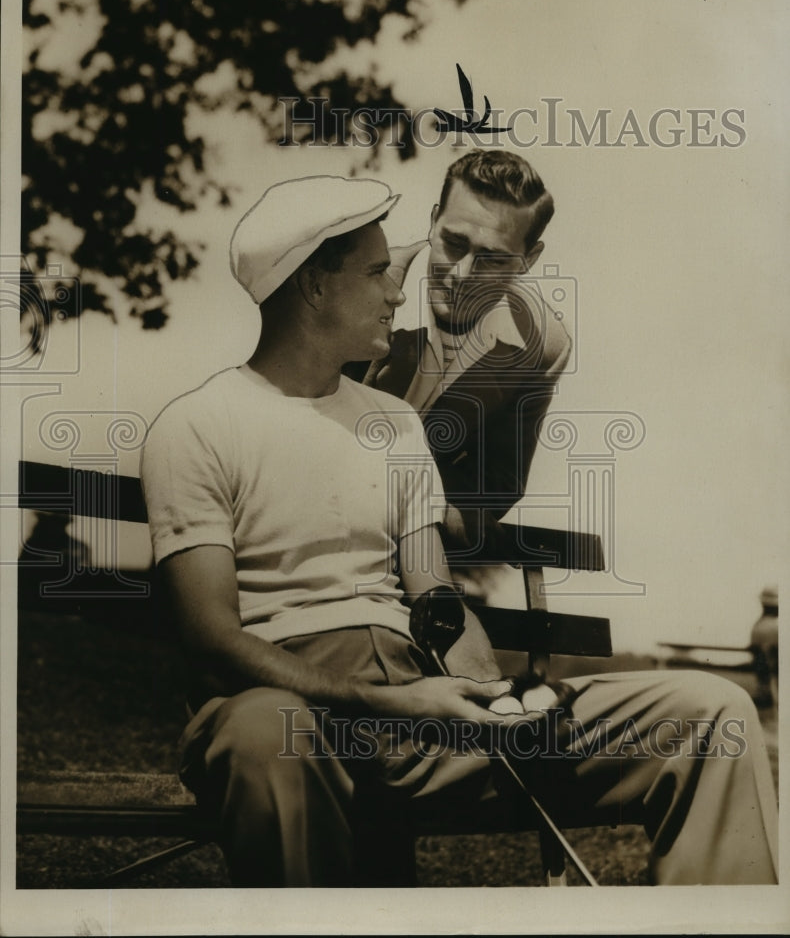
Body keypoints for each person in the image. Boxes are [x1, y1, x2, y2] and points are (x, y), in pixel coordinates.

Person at [140, 174, 778, 887]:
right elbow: (211, 638)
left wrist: (493, 696)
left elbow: (436, 601)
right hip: (295, 715)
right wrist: (384, 700)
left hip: (422, 717)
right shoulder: (197, 426)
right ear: (315, 285)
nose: (397, 291)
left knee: (710, 713)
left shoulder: (395, 425)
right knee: (265, 735)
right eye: (379, 271)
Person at [349, 149, 569, 601]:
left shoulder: (541, 345)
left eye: (493, 259)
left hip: (415, 564)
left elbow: (499, 484)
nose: (463, 274)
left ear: (529, 259)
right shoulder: (356, 286)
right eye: (453, 243)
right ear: (432, 222)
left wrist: (428, 507)